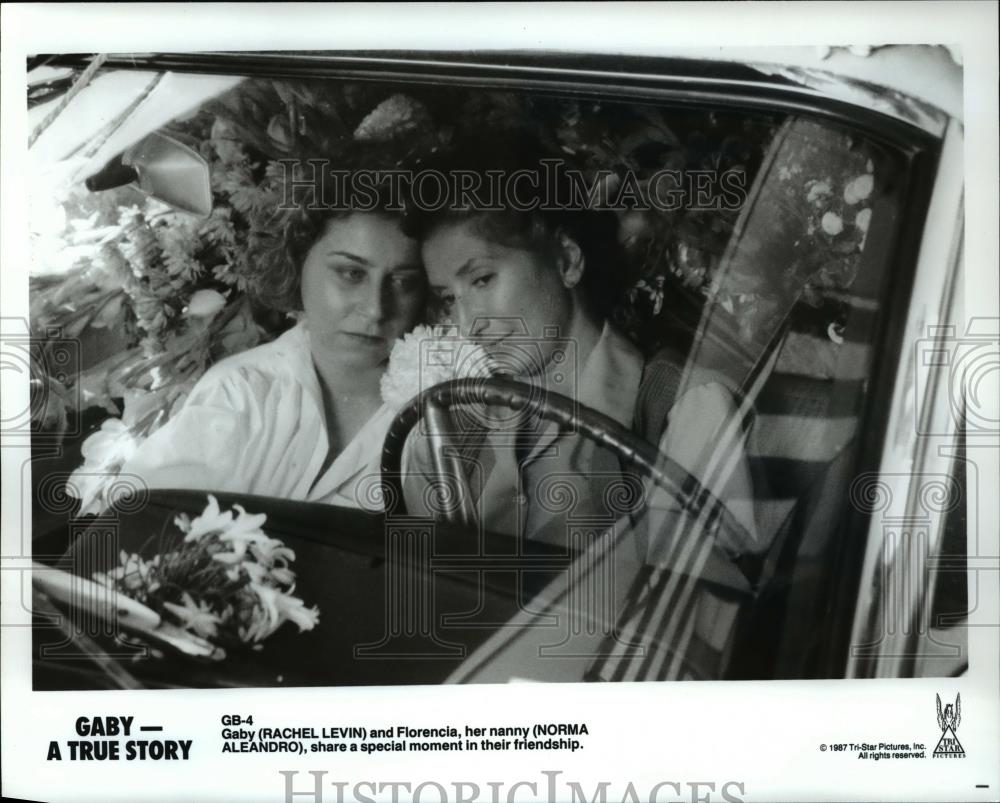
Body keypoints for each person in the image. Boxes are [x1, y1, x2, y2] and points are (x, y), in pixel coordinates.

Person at [402, 136, 761, 558]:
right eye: (449, 298)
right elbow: (420, 593)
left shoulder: (680, 408)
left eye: (482, 279)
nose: (467, 325)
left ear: (567, 261)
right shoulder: (447, 428)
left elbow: (696, 611)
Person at [120, 168, 427, 510]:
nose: (375, 309)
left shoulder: (440, 410)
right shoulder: (243, 389)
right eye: (351, 274)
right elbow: (138, 522)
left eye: (404, 282)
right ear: (296, 261)